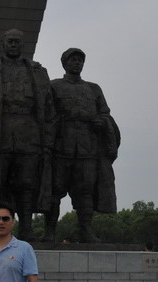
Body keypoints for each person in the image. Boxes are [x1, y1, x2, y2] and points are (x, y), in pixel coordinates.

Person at [0, 29, 54, 242]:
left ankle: (27, 228)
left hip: (29, 135)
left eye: (17, 42)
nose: (13, 45)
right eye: (10, 41)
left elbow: (49, 109)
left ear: (23, 45)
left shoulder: (38, 72)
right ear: (3, 44)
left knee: (27, 183)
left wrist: (47, 141)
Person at [43, 48, 120, 243]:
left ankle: (86, 230)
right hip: (61, 147)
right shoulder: (53, 86)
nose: (77, 63)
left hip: (87, 149)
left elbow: (105, 114)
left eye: (80, 60)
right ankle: (49, 231)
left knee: (85, 191)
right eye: (73, 59)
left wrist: (102, 122)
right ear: (64, 63)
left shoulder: (93, 89)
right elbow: (44, 114)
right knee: (54, 190)